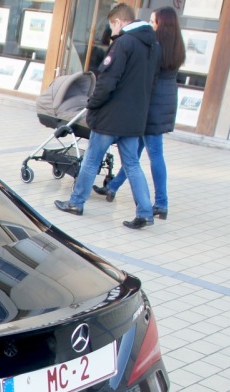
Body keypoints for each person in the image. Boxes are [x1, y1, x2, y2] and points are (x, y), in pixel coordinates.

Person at [53, 3, 159, 229]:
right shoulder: (152, 45)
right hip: (135, 117)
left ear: (119, 22)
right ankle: (145, 211)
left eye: (112, 26)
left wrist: (93, 104)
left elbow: (108, 80)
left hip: (111, 116)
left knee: (92, 160)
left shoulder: (124, 43)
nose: (111, 32)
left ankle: (76, 202)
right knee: (132, 164)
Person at [93, 6, 185, 220]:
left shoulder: (156, 45)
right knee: (134, 152)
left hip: (152, 102)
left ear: (163, 25)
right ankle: (113, 186)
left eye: (154, 21)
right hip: (166, 100)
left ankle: (161, 203)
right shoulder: (176, 46)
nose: (150, 25)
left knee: (153, 153)